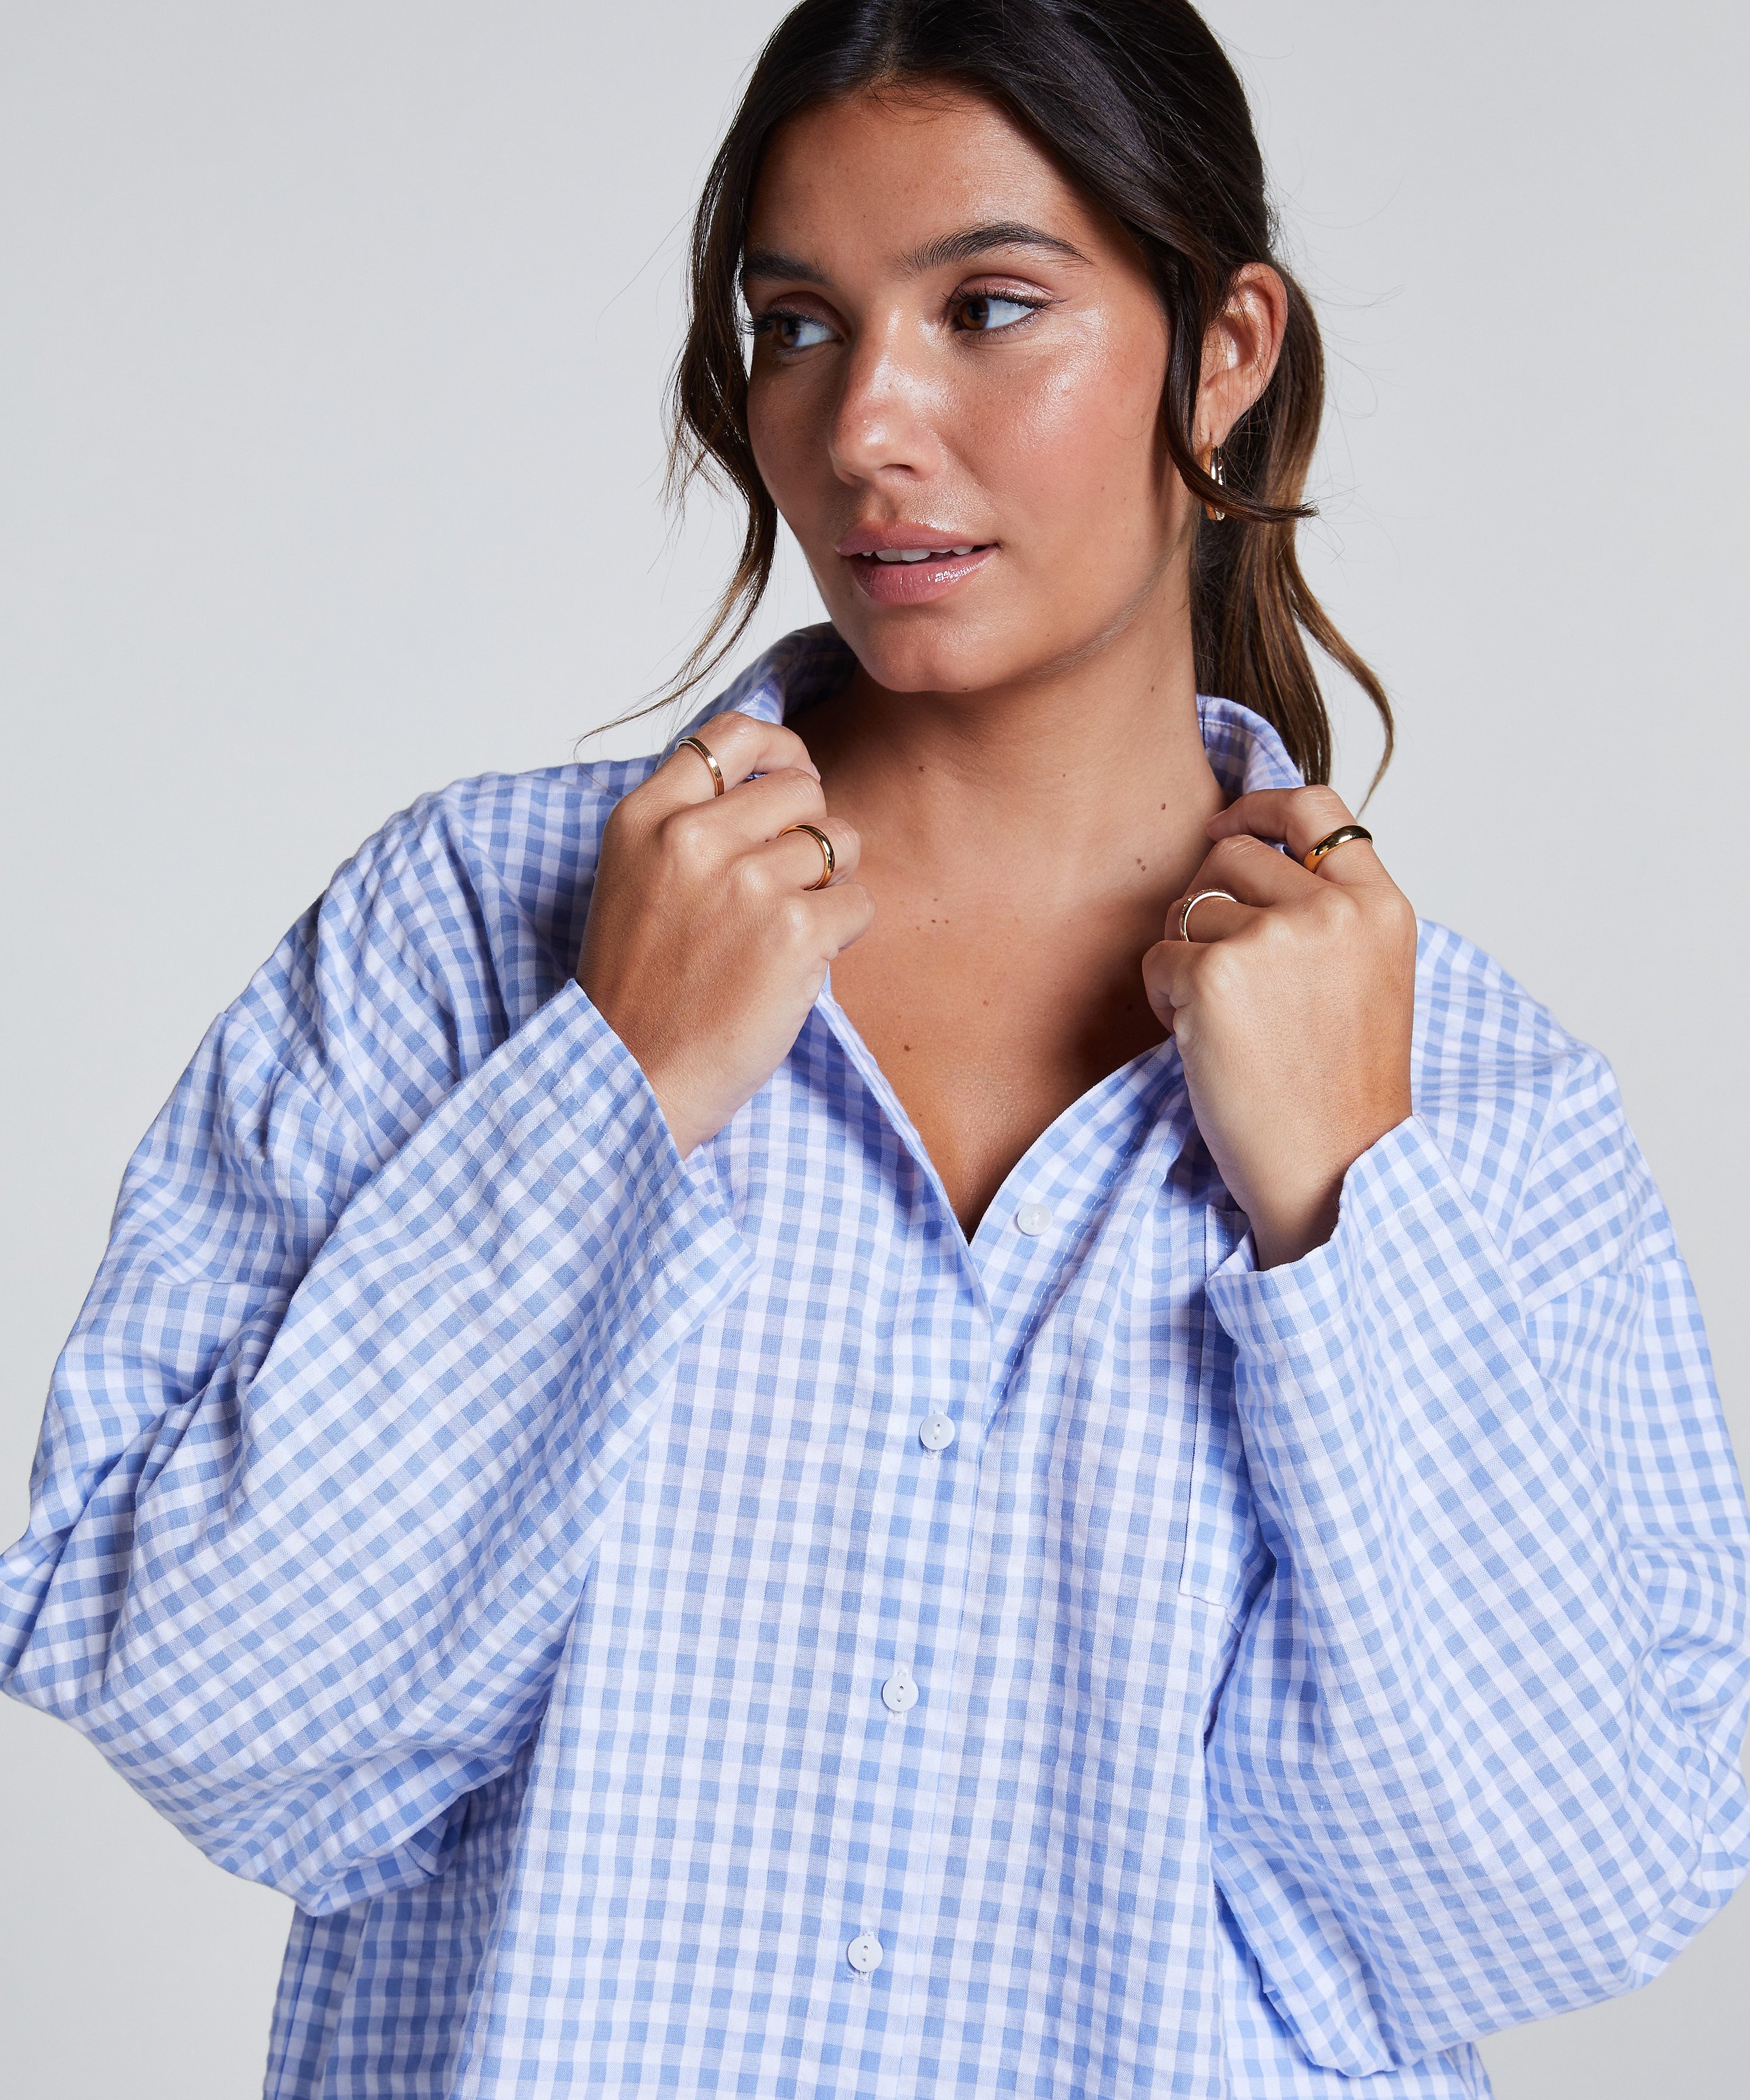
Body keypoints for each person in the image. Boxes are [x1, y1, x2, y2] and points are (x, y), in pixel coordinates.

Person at [3, 1, 1746, 2094]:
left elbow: (1559, 1911)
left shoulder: (1474, 1101)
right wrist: (611, 1102)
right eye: (800, 326)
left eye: (988, 308)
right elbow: (210, 1721)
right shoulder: (467, 931)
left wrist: (1341, 1224)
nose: (863, 429)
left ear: (1224, 352)